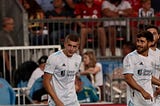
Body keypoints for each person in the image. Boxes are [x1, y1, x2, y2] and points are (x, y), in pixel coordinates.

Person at [123, 31, 160, 106]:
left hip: (149, 99)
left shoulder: (151, 58)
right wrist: (143, 92)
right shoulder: (130, 57)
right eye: (137, 41)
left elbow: (148, 76)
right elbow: (128, 79)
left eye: (142, 41)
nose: (138, 44)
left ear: (150, 43)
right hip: (135, 101)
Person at [43, 34, 81, 106]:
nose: (71, 49)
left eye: (74, 46)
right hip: (57, 102)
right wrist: (56, 100)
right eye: (69, 45)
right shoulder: (54, 58)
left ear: (78, 47)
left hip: (73, 101)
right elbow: (46, 81)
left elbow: (74, 76)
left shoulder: (78, 59)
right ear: (65, 44)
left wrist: (77, 85)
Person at [145, 25, 160, 104]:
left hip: (157, 95)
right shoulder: (140, 54)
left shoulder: (159, 54)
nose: (151, 36)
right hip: (143, 96)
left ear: (158, 36)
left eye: (154, 34)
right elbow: (145, 75)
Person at [0, 17, 15, 83]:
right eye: (11, 24)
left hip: (10, 58)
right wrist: (7, 63)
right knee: (7, 78)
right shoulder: (2, 35)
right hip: (7, 59)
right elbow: (3, 50)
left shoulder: (7, 34)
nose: (13, 26)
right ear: (6, 25)